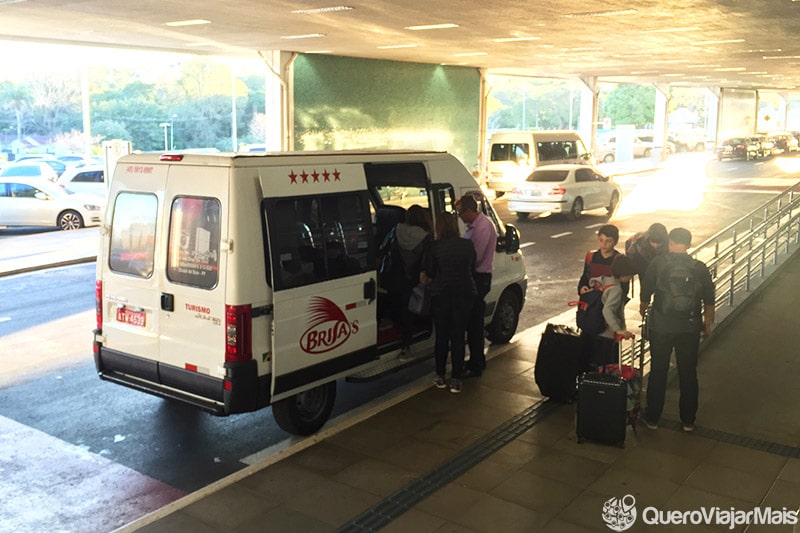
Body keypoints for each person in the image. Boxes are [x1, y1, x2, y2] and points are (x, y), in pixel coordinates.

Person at [639, 227, 715, 432]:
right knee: (688, 373)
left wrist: (644, 310)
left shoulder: (658, 263)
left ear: (670, 243)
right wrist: (707, 324)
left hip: (662, 326)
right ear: (689, 245)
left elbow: (645, 292)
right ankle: (688, 420)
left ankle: (653, 418)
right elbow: (709, 298)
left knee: (658, 371)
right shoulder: (699, 267)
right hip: (689, 328)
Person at [422, 211, 476, 394]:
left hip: (441, 295)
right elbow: (472, 266)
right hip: (465, 293)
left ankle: (440, 375)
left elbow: (428, 273)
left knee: (442, 337)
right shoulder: (467, 244)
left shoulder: (434, 247)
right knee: (459, 336)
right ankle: (456, 379)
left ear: (439, 228)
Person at [456, 194, 496, 378]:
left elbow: (475, 257)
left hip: (478, 278)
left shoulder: (482, 228)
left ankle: (476, 364)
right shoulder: (475, 226)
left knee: (473, 324)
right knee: (474, 322)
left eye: (460, 213)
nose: (459, 217)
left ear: (469, 211)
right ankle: (477, 360)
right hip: (476, 277)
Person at [394, 205, 433, 360]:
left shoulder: (397, 230)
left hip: (399, 276)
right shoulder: (426, 237)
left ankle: (405, 343)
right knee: (415, 308)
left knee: (404, 309)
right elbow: (428, 261)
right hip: (416, 278)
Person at [586, 254, 637, 368]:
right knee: (609, 368)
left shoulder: (604, 281)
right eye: (630, 275)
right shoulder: (616, 290)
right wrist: (617, 329)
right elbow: (607, 310)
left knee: (597, 367)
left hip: (596, 330)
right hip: (607, 335)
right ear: (624, 275)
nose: (630, 278)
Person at [578, 224, 628, 298]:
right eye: (601, 240)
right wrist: (582, 287)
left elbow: (624, 286)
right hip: (592, 301)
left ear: (615, 242)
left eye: (608, 241)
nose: (604, 244)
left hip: (610, 300)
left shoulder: (620, 260)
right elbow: (585, 276)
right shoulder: (591, 256)